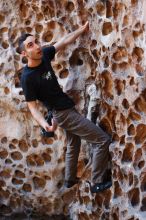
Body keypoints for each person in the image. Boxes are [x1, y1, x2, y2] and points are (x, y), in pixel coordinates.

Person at [19, 21, 112, 193]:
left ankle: (70, 179)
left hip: (63, 109)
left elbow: (64, 41)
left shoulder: (44, 55)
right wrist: (44, 124)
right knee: (102, 140)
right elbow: (32, 107)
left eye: (36, 42)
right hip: (62, 114)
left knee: (73, 141)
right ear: (24, 53)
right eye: (31, 45)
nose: (37, 46)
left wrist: (82, 29)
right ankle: (97, 182)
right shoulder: (27, 78)